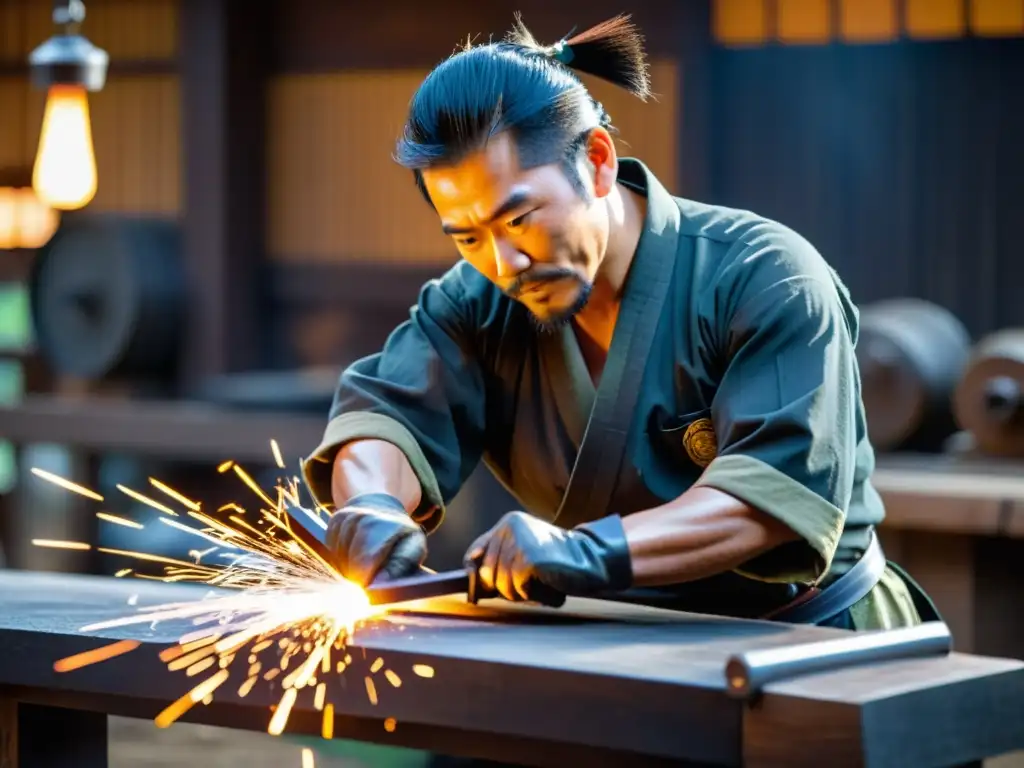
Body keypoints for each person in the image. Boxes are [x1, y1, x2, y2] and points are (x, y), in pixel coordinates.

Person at [300, 14, 940, 631]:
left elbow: (767, 502)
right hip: (616, 640)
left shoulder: (764, 276)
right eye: (467, 236)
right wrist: (372, 504)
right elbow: (389, 414)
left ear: (599, 161)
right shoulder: (475, 303)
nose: (504, 262)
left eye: (519, 219)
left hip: (811, 640)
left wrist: (587, 552)